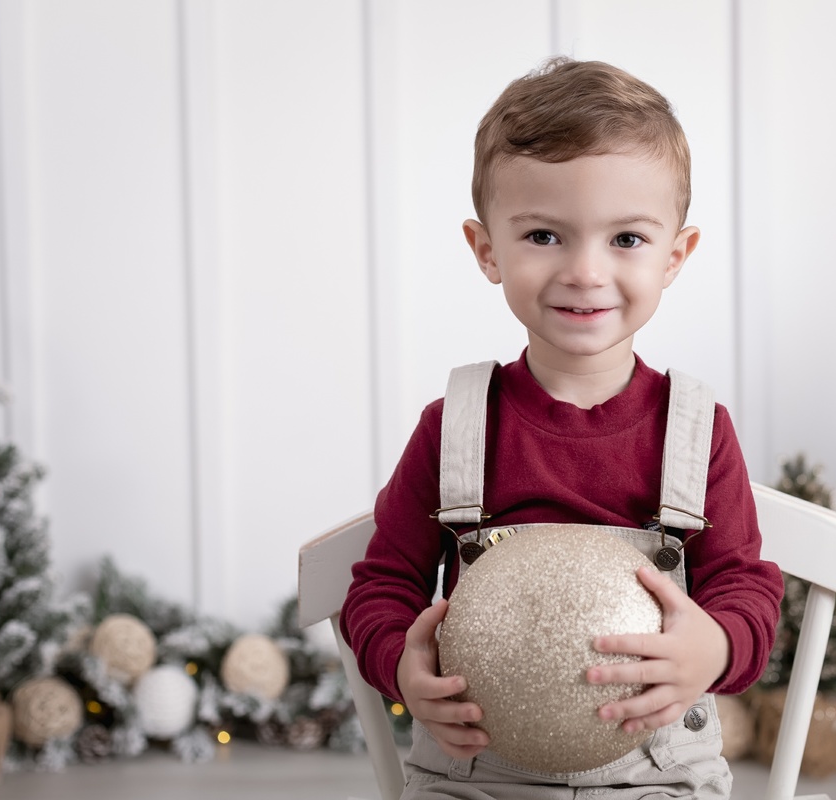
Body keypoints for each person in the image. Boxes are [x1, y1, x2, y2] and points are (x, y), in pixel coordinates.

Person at [341, 56, 783, 798]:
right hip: (476, 768)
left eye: (627, 240)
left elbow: (746, 588)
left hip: (658, 772)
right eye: (544, 235)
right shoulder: (457, 427)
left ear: (676, 256)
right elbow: (382, 585)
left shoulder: (697, 431)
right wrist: (400, 667)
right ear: (488, 251)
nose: (585, 271)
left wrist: (716, 647)